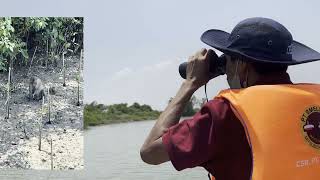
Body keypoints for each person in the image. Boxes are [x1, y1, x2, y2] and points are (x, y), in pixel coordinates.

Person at [140, 17, 320, 180]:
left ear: (241, 66)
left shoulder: (225, 114)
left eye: (228, 61)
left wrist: (190, 84)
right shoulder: (315, 101)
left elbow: (150, 153)